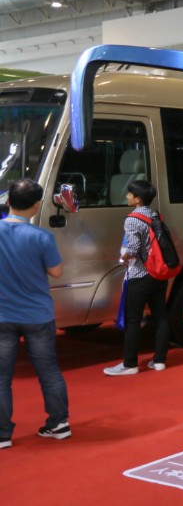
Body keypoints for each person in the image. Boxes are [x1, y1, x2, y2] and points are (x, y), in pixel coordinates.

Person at [0, 179, 70, 448]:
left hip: (3, 315)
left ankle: (3, 434)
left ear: (8, 201)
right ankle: (59, 424)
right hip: (38, 315)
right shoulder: (42, 237)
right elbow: (56, 272)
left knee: (2, 377)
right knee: (48, 371)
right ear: (37, 206)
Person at [104, 180, 169, 376]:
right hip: (159, 273)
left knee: (133, 320)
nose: (127, 196)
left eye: (130, 194)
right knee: (161, 317)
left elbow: (132, 249)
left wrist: (122, 258)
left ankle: (130, 364)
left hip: (139, 275)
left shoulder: (132, 219)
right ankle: (159, 361)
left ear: (138, 199)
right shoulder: (156, 215)